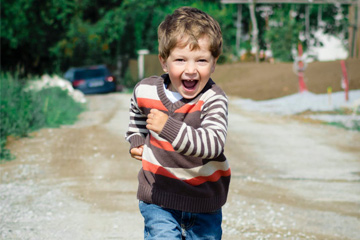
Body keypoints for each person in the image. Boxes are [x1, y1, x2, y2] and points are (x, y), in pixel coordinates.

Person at [125, 6, 230, 240]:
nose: (190, 70)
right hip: (159, 198)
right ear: (164, 62)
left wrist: (168, 127)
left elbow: (213, 144)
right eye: (180, 60)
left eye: (201, 60)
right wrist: (137, 140)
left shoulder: (213, 99)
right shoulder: (146, 90)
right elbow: (136, 114)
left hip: (204, 203)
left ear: (214, 63)